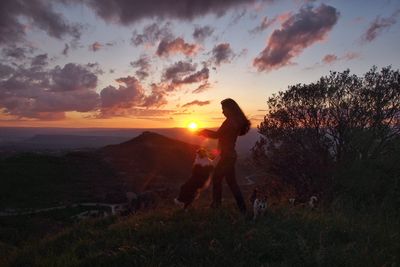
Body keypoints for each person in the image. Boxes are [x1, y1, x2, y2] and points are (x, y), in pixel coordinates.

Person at [197, 98, 251, 214]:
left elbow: (217, 135)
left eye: (223, 109)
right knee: (231, 183)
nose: (222, 112)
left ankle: (216, 206)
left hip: (226, 157)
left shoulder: (230, 122)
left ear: (230, 109)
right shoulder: (235, 121)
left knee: (217, 179)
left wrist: (202, 131)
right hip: (230, 156)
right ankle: (242, 209)